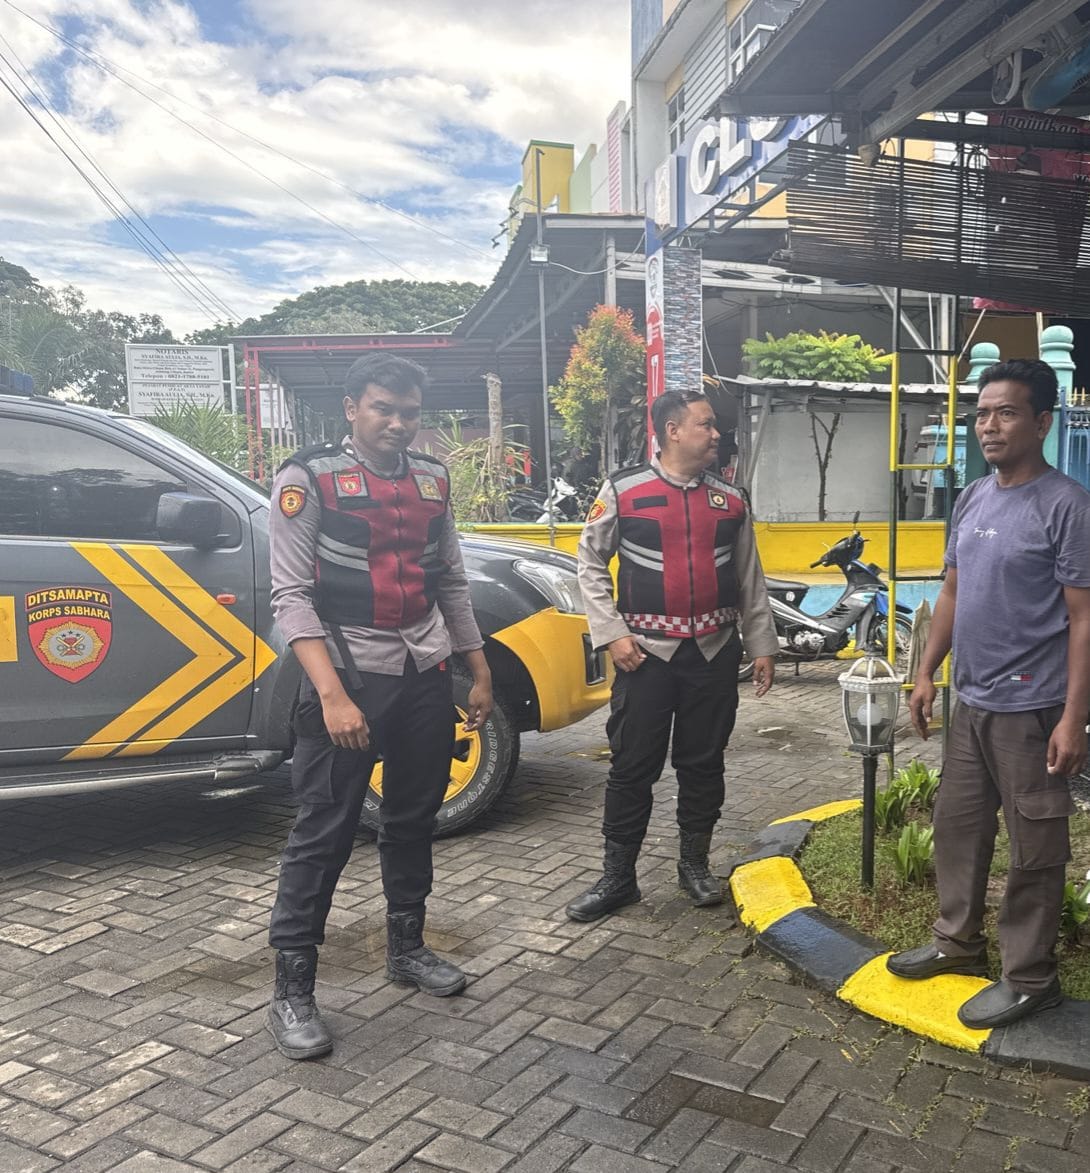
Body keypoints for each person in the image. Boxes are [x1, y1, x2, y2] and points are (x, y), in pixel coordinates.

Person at [266, 353, 493, 1060]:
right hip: (349, 676)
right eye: (383, 409)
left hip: (425, 671)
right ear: (352, 408)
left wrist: (478, 669)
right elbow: (290, 596)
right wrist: (332, 695)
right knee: (324, 831)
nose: (398, 423)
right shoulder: (307, 479)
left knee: (414, 817)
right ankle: (293, 989)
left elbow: (450, 581)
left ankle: (407, 948)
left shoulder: (432, 479)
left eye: (409, 412)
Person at [888, 358, 1090, 1029]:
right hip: (972, 701)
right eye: (982, 414)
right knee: (958, 828)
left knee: (1036, 846)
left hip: (1033, 710)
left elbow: (1084, 618)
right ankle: (957, 942)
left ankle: (1030, 977)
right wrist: (926, 671)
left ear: (1042, 421)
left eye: (1007, 412)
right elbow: (951, 590)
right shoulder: (974, 497)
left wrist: (1074, 718)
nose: (989, 426)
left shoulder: (1067, 506)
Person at [567, 389, 778, 922]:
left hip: (713, 653)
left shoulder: (731, 500)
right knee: (631, 767)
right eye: (706, 424)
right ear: (673, 431)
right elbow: (589, 562)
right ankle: (618, 878)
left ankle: (694, 866)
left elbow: (749, 577)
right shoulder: (624, 490)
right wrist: (612, 634)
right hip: (644, 657)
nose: (716, 434)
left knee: (703, 764)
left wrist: (762, 646)